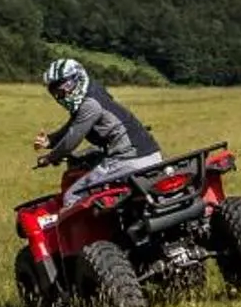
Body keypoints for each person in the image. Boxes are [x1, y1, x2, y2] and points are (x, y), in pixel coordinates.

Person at [32, 57, 164, 206]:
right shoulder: (95, 93)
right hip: (150, 155)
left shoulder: (90, 104)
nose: (61, 92)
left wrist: (49, 158)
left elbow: (72, 139)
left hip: (128, 159)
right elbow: (75, 124)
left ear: (79, 78)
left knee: (71, 197)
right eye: (55, 89)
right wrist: (50, 140)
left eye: (64, 85)